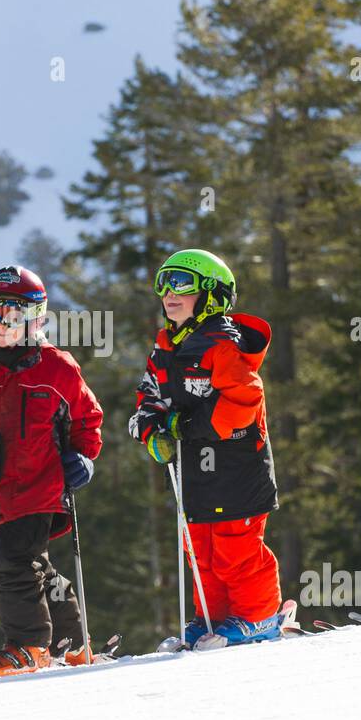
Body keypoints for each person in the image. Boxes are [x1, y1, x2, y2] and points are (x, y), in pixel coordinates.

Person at [0, 266, 106, 676]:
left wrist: (83, 457)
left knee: (11, 564)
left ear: (36, 318)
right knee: (37, 566)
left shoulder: (57, 369)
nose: (1, 325)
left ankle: (29, 644)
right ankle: (71, 643)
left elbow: (88, 420)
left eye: (12, 316)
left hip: (42, 487)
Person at [128, 249, 281, 648]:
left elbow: (244, 400)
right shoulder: (165, 346)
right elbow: (149, 397)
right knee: (200, 549)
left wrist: (185, 426)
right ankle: (210, 618)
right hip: (192, 471)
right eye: (162, 284)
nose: (168, 293)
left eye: (180, 283)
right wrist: (151, 431)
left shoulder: (222, 344)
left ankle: (258, 616)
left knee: (236, 548)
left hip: (237, 469)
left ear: (211, 293)